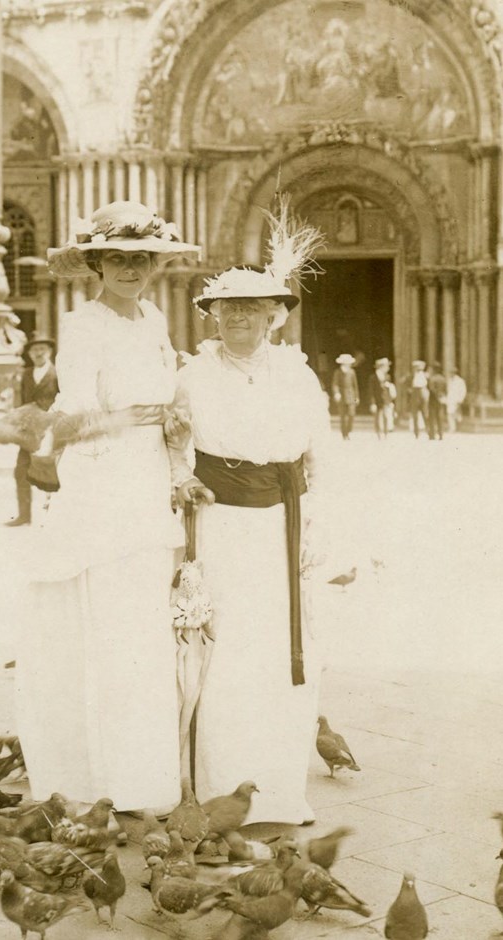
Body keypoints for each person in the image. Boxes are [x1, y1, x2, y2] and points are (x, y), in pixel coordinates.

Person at [15, 201, 200, 812]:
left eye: (141, 259)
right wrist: (141, 415)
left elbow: (173, 393)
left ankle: (143, 777)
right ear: (96, 263)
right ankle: (95, 777)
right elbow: (76, 412)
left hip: (148, 475)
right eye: (117, 259)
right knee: (108, 619)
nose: (130, 270)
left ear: (154, 266)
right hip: (105, 480)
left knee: (143, 627)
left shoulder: (153, 319)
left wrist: (174, 441)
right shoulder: (82, 324)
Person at [169, 244, 330, 825]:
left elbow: (320, 455)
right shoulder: (192, 376)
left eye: (251, 309)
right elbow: (173, 446)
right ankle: (217, 790)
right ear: (212, 316)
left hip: (281, 526)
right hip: (221, 526)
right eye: (227, 309)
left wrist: (316, 525)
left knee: (282, 652)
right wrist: (182, 479)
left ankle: (281, 793)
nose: (238, 319)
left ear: (273, 315)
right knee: (224, 649)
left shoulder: (297, 373)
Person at [5, 334, 59, 527]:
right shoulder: (26, 374)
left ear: (50, 351)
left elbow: (63, 400)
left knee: (53, 475)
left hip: (52, 430)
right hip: (30, 432)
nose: (38, 353)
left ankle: (53, 517)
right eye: (34, 350)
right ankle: (24, 516)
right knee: (21, 472)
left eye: (42, 349)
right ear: (29, 353)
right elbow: (21, 402)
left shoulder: (58, 373)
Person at [331, 353, 359, 439]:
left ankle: (348, 430)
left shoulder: (352, 372)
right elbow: (335, 384)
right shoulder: (338, 372)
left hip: (351, 396)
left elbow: (355, 385)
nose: (348, 364)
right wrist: (336, 393)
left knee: (351, 414)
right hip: (342, 396)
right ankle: (344, 434)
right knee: (343, 416)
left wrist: (357, 397)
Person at [369, 357, 397, 439]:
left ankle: (385, 433)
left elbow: (389, 390)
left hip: (386, 400)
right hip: (377, 400)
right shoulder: (373, 377)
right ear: (381, 367)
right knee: (377, 417)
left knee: (386, 416)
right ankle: (378, 433)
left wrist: (390, 400)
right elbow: (371, 391)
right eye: (386, 366)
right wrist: (372, 403)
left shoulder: (387, 376)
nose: (388, 368)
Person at [407, 359, 429, 438]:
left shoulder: (426, 376)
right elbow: (408, 386)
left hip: (422, 395)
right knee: (415, 415)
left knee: (425, 413)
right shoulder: (411, 376)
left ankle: (428, 431)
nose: (418, 369)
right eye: (416, 367)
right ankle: (416, 432)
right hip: (415, 395)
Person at [427, 361, 447, 440]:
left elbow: (431, 389)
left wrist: (437, 396)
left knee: (432, 417)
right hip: (441, 400)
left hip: (433, 400)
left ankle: (432, 435)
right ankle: (441, 434)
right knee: (440, 417)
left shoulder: (433, 378)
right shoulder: (443, 379)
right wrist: (442, 396)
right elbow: (446, 389)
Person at [446, 367, 467, 432]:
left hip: (457, 399)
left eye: (452, 373)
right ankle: (452, 428)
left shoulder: (460, 381)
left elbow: (463, 391)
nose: (451, 374)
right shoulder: (449, 380)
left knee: (457, 414)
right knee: (450, 413)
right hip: (450, 399)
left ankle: (459, 427)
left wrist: (460, 399)